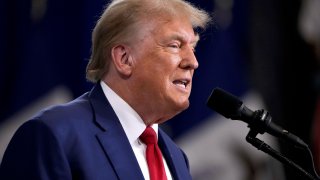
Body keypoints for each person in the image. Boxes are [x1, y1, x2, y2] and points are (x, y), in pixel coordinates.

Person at [0, 0, 210, 179]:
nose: (193, 62)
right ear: (124, 59)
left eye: (193, 48)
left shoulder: (177, 158)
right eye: (175, 45)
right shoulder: (55, 135)